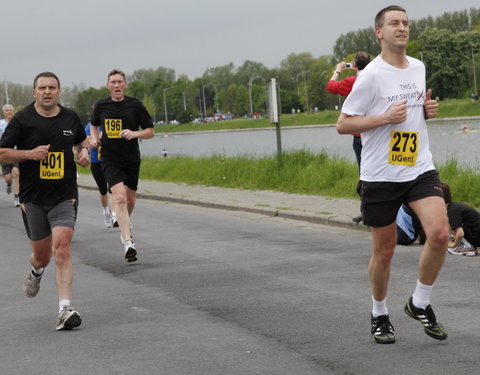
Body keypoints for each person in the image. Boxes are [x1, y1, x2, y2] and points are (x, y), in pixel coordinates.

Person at [336, 5, 449, 344]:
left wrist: (425, 112)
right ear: (379, 33)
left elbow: (411, 114)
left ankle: (420, 302)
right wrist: (384, 118)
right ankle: (379, 312)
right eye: (394, 23)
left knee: (440, 234)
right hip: (381, 174)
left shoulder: (418, 67)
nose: (402, 28)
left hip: (418, 167)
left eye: (405, 23)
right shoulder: (370, 75)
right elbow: (344, 124)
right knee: (385, 251)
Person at [0, 72, 89, 330]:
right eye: (42, 88)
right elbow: (3, 153)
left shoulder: (70, 117)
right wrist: (30, 154)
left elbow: (82, 144)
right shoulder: (22, 119)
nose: (47, 91)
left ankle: (64, 309)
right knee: (41, 257)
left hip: (64, 195)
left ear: (59, 91)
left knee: (61, 248)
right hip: (33, 198)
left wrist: (83, 153)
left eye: (52, 87)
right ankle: (36, 272)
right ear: (34, 92)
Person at [89, 69, 154, 262]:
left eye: (120, 82)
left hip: (131, 158)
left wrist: (135, 134)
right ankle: (128, 242)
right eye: (113, 82)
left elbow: (150, 131)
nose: (116, 85)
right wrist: (93, 140)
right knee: (119, 197)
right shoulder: (101, 105)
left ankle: (125, 223)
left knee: (131, 199)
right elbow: (93, 125)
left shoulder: (135, 105)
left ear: (125, 84)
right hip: (109, 158)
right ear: (108, 86)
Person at [327, 52, 370, 224]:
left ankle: (367, 211)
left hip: (360, 134)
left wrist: (338, 70)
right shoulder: (375, 79)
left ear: (354, 65)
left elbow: (331, 87)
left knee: (364, 173)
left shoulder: (353, 81)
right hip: (378, 133)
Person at [85, 122, 116, 228]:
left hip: (110, 160)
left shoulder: (107, 123)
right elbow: (88, 141)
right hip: (96, 162)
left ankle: (115, 214)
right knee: (103, 190)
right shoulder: (89, 126)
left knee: (113, 188)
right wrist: (98, 137)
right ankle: (106, 211)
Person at [442, 182, 480, 256]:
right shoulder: (453, 207)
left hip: (477, 235)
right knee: (452, 224)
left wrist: (453, 245)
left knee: (456, 225)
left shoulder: (452, 210)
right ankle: (465, 244)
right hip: (476, 232)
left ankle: (468, 247)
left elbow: (460, 233)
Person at [0, 104, 20, 206]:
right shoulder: (1, 124)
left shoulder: (18, 123)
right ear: (3, 113)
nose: (9, 112)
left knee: (16, 173)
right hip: (4, 153)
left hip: (16, 152)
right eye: (7, 110)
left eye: (11, 110)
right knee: (8, 177)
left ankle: (17, 196)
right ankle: (8, 184)